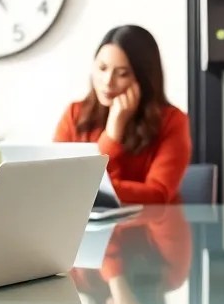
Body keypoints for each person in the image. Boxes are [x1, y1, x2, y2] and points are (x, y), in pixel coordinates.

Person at [54, 24, 192, 205]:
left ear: (143, 78)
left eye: (122, 73)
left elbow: (158, 194)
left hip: (151, 229)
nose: (108, 81)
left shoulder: (172, 121)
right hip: (86, 228)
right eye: (102, 68)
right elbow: (55, 180)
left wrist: (113, 132)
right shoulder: (75, 113)